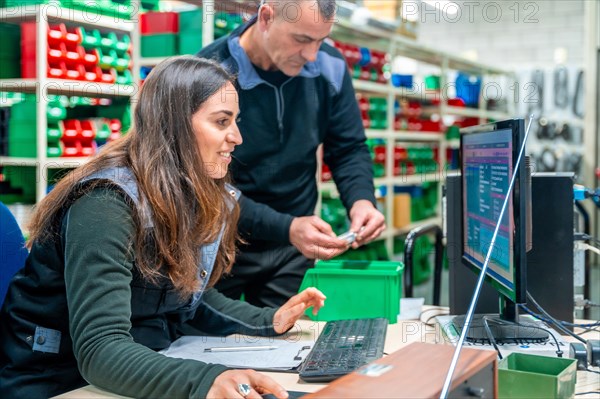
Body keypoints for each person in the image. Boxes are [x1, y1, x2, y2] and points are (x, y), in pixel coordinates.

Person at [0, 56, 326, 399]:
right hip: (57, 383)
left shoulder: (181, 194)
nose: (237, 137)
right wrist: (204, 381)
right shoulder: (105, 205)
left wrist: (269, 320)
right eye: (222, 121)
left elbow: (186, 296)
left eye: (235, 121)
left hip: (131, 368)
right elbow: (100, 349)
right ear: (175, 126)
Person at [197, 0, 386, 308]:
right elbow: (201, 183)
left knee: (287, 347)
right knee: (211, 344)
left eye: (320, 40)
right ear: (266, 17)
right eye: (301, 39)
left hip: (293, 249)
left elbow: (348, 147)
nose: (312, 55)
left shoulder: (331, 66)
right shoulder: (209, 73)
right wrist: (287, 227)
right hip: (221, 243)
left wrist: (362, 199)